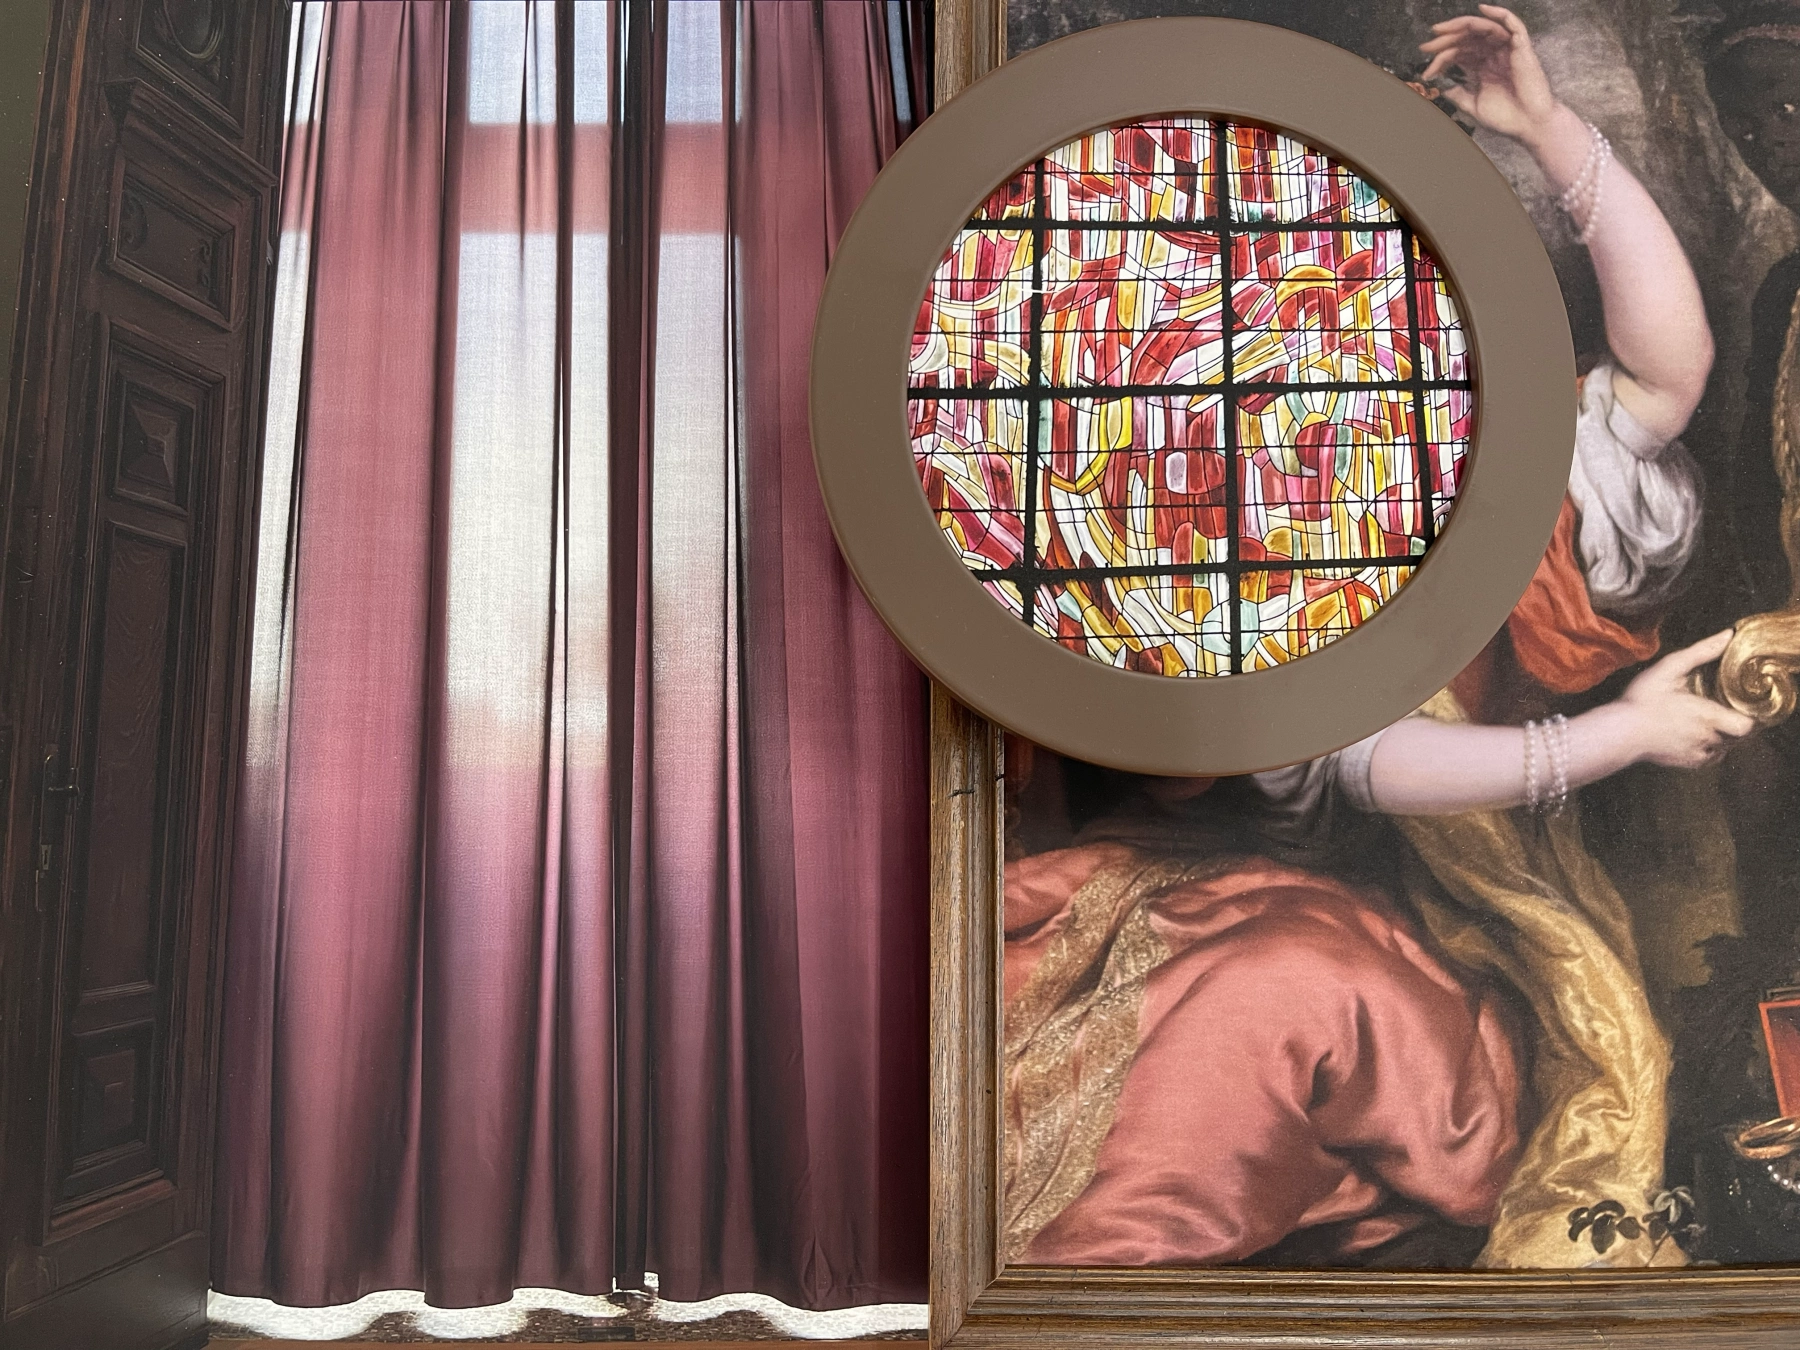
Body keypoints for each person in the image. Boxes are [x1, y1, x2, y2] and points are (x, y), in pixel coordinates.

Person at [1003, 6, 1746, 1270]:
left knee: (1279, 998)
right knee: (1111, 997)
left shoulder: (1489, 435)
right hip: (1241, 879)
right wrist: (1618, 736)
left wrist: (1549, 133)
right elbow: (1356, 758)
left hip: (1458, 918)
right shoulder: (1205, 471)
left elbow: (1668, 377)